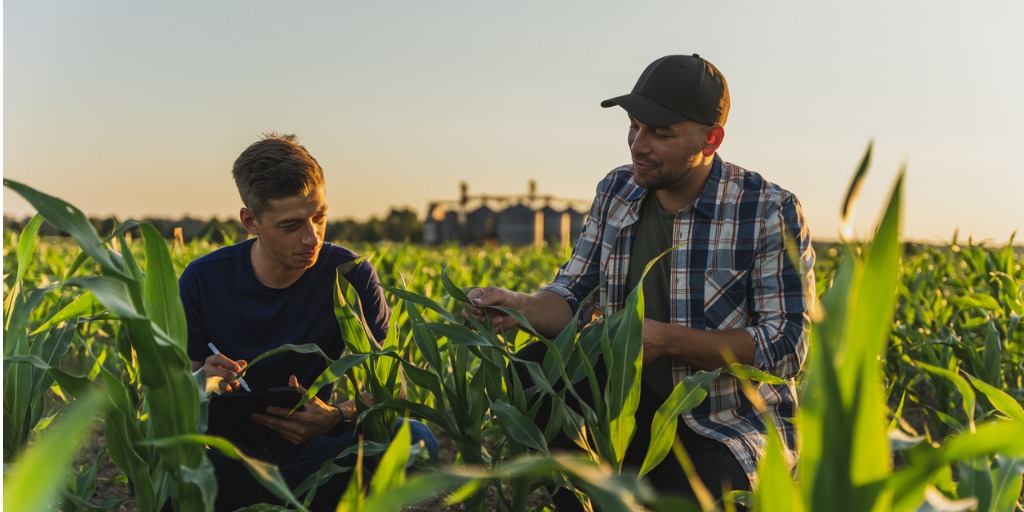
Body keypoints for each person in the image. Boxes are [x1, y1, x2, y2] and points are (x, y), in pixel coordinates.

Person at [465, 54, 815, 509]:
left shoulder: (767, 210)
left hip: (721, 421)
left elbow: (786, 346)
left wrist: (666, 341)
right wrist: (519, 305)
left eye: (660, 134)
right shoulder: (617, 190)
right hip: (623, 409)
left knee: (689, 499)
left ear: (711, 139)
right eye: (634, 126)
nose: (638, 144)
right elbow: (573, 293)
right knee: (535, 373)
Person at [179, 133, 438, 511]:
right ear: (250, 221)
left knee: (414, 440)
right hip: (225, 459)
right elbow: (174, 400)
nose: (312, 237)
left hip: (315, 458)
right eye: (291, 225)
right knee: (160, 459)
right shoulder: (203, 279)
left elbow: (393, 391)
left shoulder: (349, 274)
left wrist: (336, 417)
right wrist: (205, 382)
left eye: (320, 217)